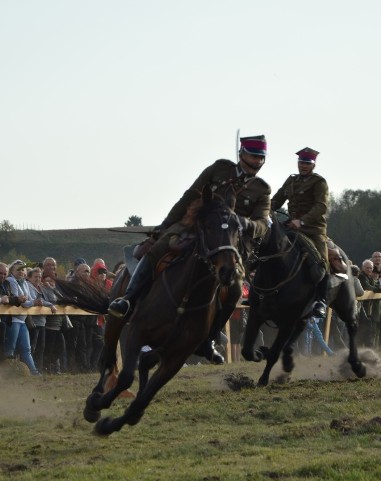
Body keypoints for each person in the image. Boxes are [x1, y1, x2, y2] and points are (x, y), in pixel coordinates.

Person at [108, 134, 271, 365]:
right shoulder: (219, 170)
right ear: (241, 154)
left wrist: (245, 224)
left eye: (261, 158)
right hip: (195, 227)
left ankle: (209, 339)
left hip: (227, 243)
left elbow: (263, 225)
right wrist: (164, 227)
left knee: (234, 288)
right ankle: (128, 299)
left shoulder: (261, 189)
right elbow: (190, 196)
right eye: (253, 156)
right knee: (159, 248)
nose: (257, 162)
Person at [271, 147, 330, 318]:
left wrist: (302, 220)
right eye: (301, 162)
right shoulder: (291, 181)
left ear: (313, 165)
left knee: (321, 262)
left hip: (313, 230)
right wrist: (263, 210)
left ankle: (321, 301)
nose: (303, 166)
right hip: (290, 226)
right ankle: (260, 293)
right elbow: (276, 200)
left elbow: (321, 206)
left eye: (306, 163)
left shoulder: (319, 182)